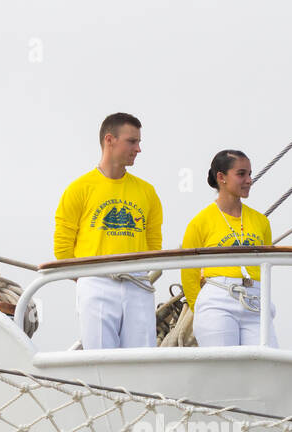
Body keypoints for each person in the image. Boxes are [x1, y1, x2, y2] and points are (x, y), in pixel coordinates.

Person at [54, 112, 163, 349]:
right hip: (96, 281)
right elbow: (62, 249)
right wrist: (88, 278)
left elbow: (154, 245)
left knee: (142, 360)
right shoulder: (79, 189)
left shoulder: (147, 192)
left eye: (139, 142)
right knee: (100, 359)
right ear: (110, 140)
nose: (138, 149)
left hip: (138, 283)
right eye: (132, 141)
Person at [180, 150, 276, 346]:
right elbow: (189, 274)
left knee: (266, 365)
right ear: (221, 177)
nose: (249, 180)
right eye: (241, 174)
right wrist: (202, 308)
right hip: (217, 300)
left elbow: (265, 267)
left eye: (250, 174)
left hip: (255, 300)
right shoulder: (200, 222)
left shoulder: (261, 221)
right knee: (223, 369)